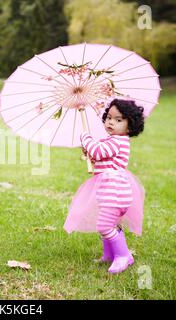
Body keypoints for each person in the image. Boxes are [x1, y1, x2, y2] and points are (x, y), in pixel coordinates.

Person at [64, 99, 145, 274]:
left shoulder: (117, 141)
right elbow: (101, 157)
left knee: (104, 226)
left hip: (114, 192)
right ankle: (109, 254)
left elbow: (98, 151)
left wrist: (86, 139)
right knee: (109, 224)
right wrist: (91, 155)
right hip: (109, 191)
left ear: (129, 127)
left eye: (118, 120)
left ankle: (124, 255)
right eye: (109, 117)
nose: (111, 122)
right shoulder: (113, 140)